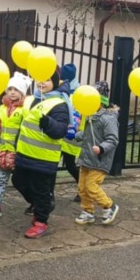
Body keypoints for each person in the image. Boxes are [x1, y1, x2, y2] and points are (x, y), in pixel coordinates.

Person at [12, 69, 71, 239]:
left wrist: (48, 122)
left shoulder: (59, 104)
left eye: (47, 79)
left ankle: (41, 221)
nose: (42, 82)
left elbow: (60, 130)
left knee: (40, 190)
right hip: (24, 154)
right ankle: (42, 205)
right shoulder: (30, 99)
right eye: (40, 78)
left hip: (44, 158)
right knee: (18, 181)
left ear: (55, 82)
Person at [74, 83, 121, 225]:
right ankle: (88, 211)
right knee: (82, 188)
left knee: (91, 186)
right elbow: (89, 134)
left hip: (100, 160)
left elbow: (113, 139)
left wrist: (101, 148)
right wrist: (77, 135)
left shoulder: (108, 118)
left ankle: (109, 206)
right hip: (86, 158)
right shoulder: (90, 115)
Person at [0, 72, 29, 217]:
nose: (12, 92)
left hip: (19, 151)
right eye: (10, 89)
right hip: (5, 150)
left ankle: (35, 202)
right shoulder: (3, 108)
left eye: (16, 89)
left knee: (23, 181)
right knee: (2, 180)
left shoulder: (24, 109)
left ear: (22, 92)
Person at [57, 63, 82, 201]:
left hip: (70, 136)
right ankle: (48, 194)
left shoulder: (78, 93)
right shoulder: (60, 90)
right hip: (58, 133)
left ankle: (82, 190)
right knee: (52, 165)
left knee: (70, 165)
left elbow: (78, 114)